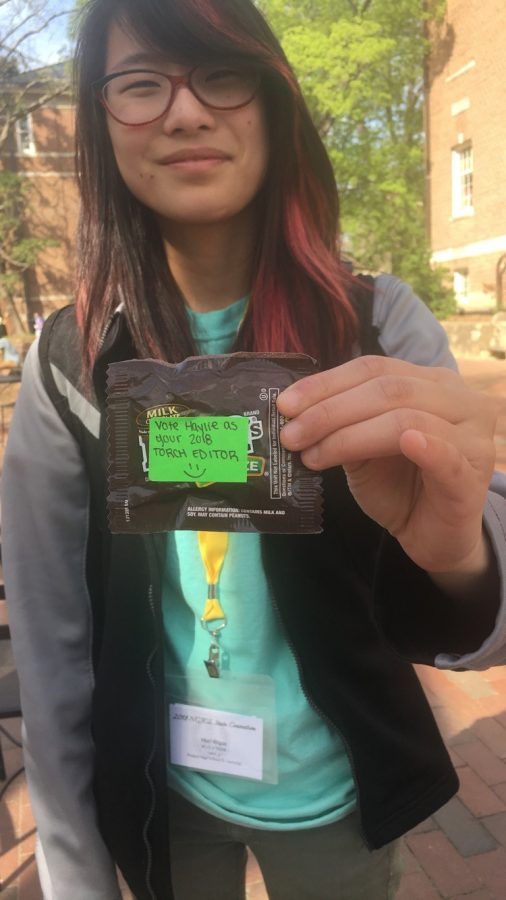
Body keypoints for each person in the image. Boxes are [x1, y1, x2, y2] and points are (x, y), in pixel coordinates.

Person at [2, 0, 506, 898]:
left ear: (276, 104)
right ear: (102, 124)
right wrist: (76, 877)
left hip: (337, 794)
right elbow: (49, 645)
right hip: (162, 794)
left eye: (220, 74)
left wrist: (461, 550)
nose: (185, 112)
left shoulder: (380, 327)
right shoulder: (69, 363)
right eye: (140, 84)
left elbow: (485, 624)